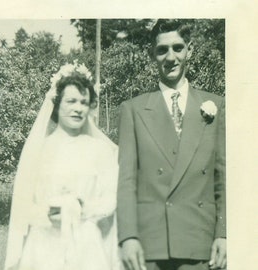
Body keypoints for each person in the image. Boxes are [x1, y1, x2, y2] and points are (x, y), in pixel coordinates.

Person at [117, 19, 226, 270]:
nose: (171, 57)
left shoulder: (216, 106)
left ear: (190, 50)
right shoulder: (133, 109)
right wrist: (128, 236)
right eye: (162, 50)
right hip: (151, 245)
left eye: (178, 48)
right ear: (152, 55)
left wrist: (224, 233)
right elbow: (126, 181)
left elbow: (223, 178)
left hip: (201, 242)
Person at [4, 61, 120, 270]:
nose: (78, 109)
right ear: (57, 105)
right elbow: (24, 203)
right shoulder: (41, 149)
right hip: (44, 246)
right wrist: (47, 213)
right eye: (71, 101)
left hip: (86, 246)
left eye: (84, 102)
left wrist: (81, 208)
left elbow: (111, 199)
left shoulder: (101, 151)